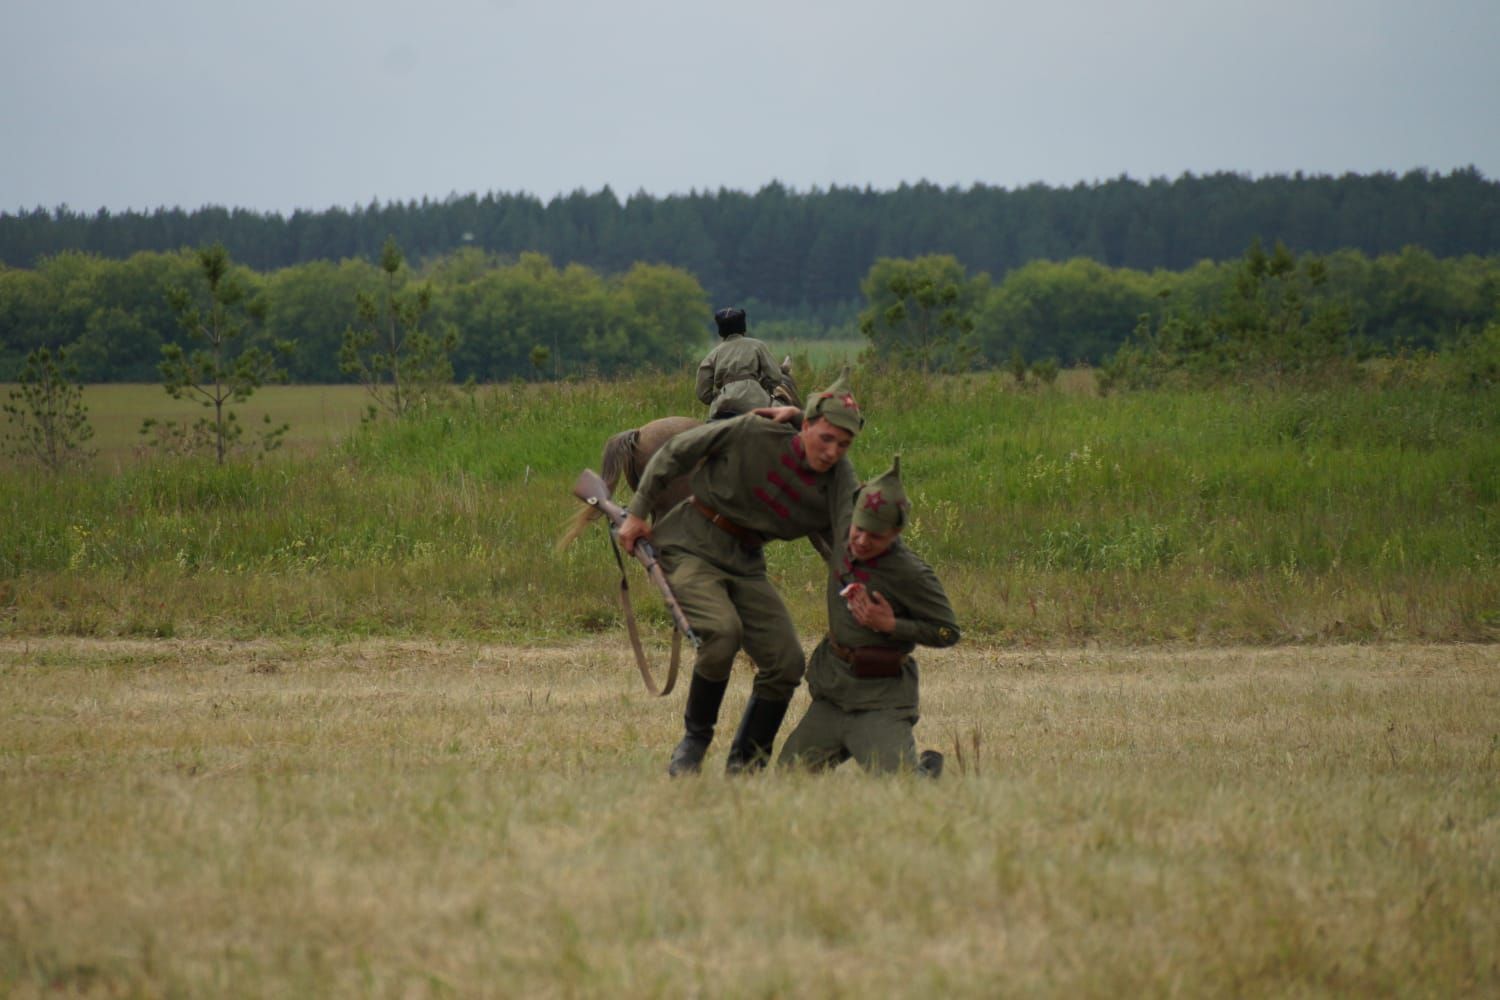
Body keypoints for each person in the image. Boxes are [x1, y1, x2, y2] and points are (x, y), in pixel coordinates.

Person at [617, 372, 865, 776]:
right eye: (825, 439)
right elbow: (677, 450)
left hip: (747, 562)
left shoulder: (838, 481)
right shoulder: (755, 431)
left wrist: (855, 613)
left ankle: (746, 765)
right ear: (804, 426)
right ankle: (694, 743)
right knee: (722, 632)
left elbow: (846, 547)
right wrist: (639, 512)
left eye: (844, 444)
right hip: (691, 541)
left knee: (786, 662)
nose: (833, 451)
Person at [778, 456, 960, 776]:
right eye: (858, 530)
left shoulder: (911, 573)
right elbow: (837, 459)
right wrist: (790, 412)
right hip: (833, 692)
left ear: (895, 533)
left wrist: (891, 625)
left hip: (881, 701)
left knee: (902, 788)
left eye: (875, 537)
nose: (861, 541)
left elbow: (947, 632)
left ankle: (926, 772)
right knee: (785, 777)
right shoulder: (846, 522)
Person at [695, 307, 782, 420]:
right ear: (743, 327)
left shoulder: (713, 354)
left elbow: (702, 392)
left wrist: (716, 398)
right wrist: (761, 386)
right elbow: (775, 376)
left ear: (720, 331)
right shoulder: (757, 345)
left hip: (723, 403)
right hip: (755, 399)